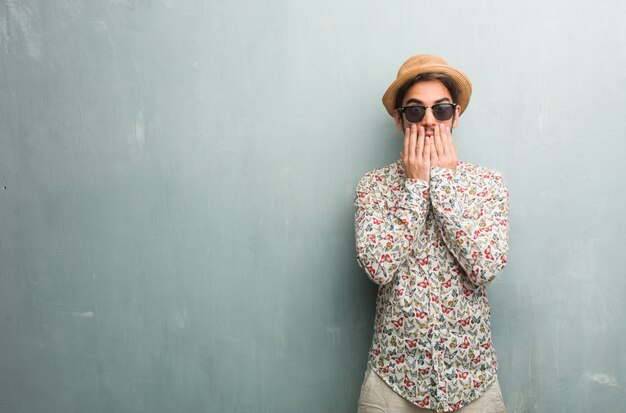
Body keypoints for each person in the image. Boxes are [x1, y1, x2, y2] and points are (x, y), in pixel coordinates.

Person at [354, 54, 509, 413]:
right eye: (414, 111)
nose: (428, 121)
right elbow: (378, 268)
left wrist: (442, 184)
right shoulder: (373, 186)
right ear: (398, 119)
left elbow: (485, 268)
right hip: (393, 379)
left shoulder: (488, 185)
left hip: (472, 380)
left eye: (440, 110)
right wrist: (415, 186)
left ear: (455, 116)